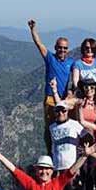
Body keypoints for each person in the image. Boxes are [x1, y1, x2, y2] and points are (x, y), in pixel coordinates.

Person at [29, 19, 74, 154]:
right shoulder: (50, 58)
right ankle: (50, 153)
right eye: (60, 47)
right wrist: (33, 29)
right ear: (55, 47)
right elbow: (39, 44)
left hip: (64, 100)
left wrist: (72, 90)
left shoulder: (71, 62)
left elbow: (78, 75)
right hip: (50, 99)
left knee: (66, 126)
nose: (62, 50)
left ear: (68, 49)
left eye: (65, 48)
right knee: (50, 127)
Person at [48, 100, 85, 172]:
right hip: (57, 166)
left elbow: (87, 138)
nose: (60, 113)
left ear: (67, 111)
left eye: (63, 111)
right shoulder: (51, 127)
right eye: (57, 111)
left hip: (72, 166)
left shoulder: (74, 124)